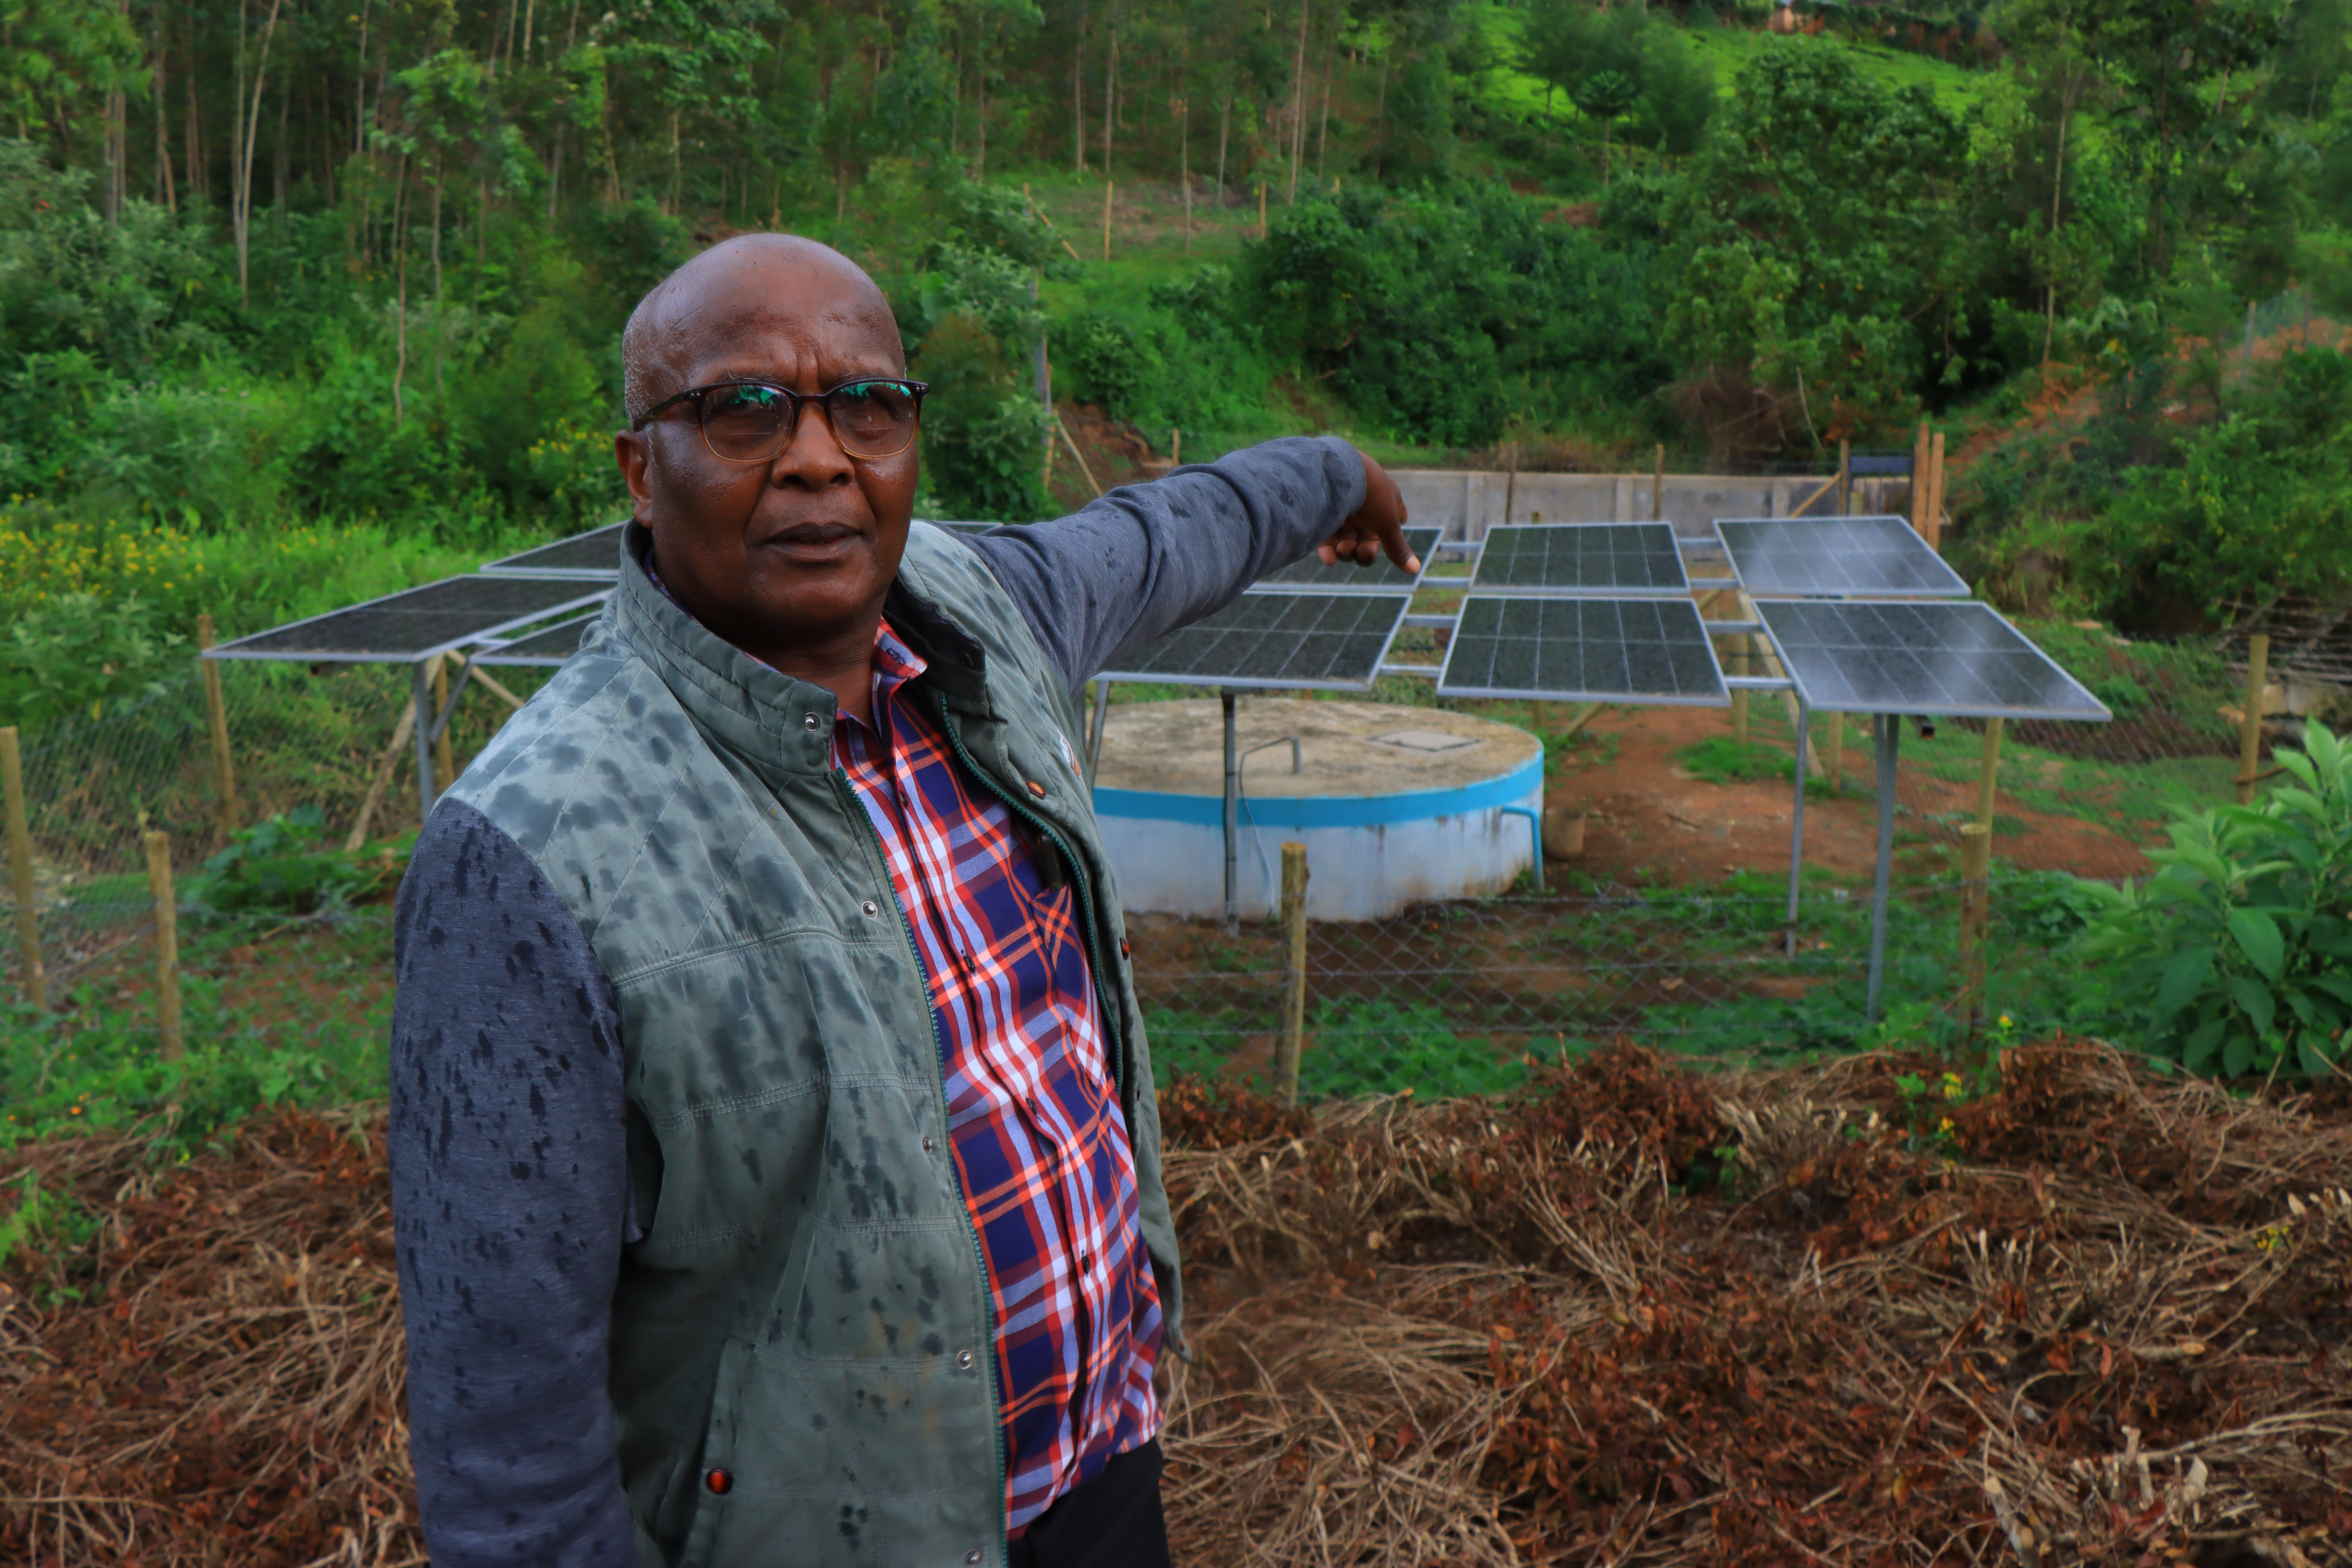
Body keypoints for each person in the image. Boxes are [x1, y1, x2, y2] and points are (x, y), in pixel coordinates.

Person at [388, 231, 1416, 1568]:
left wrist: (1338, 473)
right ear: (643, 471)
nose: (817, 455)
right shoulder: (525, 856)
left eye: (865, 404)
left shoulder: (987, 614)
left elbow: (1172, 533)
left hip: (1100, 1479)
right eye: (743, 408)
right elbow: (513, 1471)